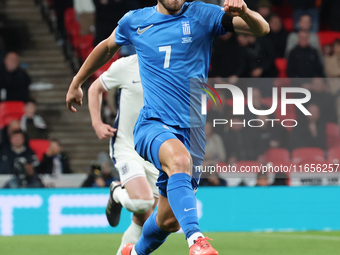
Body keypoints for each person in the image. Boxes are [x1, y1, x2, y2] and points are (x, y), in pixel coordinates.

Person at [66, 1, 269, 254]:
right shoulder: (135, 21)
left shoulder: (203, 15)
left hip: (192, 132)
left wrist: (246, 13)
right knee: (179, 160)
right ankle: (196, 240)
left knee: (168, 221)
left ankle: (134, 252)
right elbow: (107, 47)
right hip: (152, 124)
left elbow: (261, 29)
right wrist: (77, 82)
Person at [87, 54, 159, 255]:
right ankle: (116, 192)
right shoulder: (126, 65)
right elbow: (94, 88)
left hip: (154, 150)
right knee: (142, 202)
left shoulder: (171, 66)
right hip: (126, 146)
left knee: (144, 221)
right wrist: (97, 123)